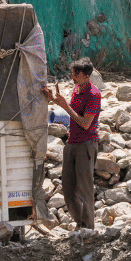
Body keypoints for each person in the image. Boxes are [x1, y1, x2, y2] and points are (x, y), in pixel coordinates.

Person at [44, 58, 101, 230]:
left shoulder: (93, 94)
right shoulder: (77, 89)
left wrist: (65, 107)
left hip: (86, 144)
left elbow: (85, 123)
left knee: (84, 190)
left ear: (86, 75)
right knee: (68, 190)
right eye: (73, 73)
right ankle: (80, 223)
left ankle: (88, 228)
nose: (73, 77)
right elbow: (73, 111)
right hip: (72, 142)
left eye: (76, 74)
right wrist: (54, 100)